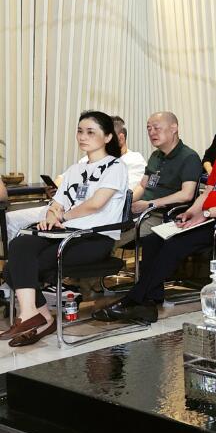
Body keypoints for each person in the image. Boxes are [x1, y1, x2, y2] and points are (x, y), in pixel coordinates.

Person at [98, 114, 216, 322]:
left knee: (175, 244)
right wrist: (192, 212)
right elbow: (207, 194)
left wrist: (206, 214)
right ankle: (151, 299)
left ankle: (133, 300)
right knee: (153, 240)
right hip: (209, 219)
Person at [2, 112, 128, 347]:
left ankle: (39, 319)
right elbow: (56, 204)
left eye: (90, 132)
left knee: (15, 270)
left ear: (108, 137)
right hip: (63, 232)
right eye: (80, 131)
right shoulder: (74, 170)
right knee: (19, 244)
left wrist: (63, 216)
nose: (82, 136)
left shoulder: (115, 166)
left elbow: (96, 204)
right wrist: (51, 216)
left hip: (93, 237)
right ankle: (34, 316)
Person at [131, 112, 202, 216]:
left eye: (156, 128)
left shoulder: (189, 157)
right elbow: (142, 185)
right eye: (149, 129)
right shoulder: (155, 155)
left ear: (173, 128)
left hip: (163, 214)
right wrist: (126, 202)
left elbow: (186, 195)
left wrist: (150, 204)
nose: (151, 133)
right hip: (142, 210)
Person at [110, 116, 146, 189]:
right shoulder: (89, 159)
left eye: (107, 137)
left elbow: (130, 190)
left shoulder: (135, 159)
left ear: (121, 138)